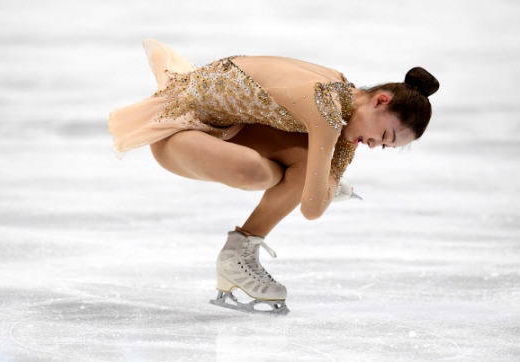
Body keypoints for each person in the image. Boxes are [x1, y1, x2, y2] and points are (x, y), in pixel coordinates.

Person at [108, 39, 439, 315]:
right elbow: (312, 209)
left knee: (305, 165)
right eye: (383, 134)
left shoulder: (344, 103)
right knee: (260, 173)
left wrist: (322, 181)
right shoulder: (325, 109)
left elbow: (315, 190)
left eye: (383, 146)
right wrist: (321, 184)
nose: (373, 144)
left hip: (226, 131)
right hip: (176, 131)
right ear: (381, 101)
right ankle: (239, 253)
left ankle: (238, 253)